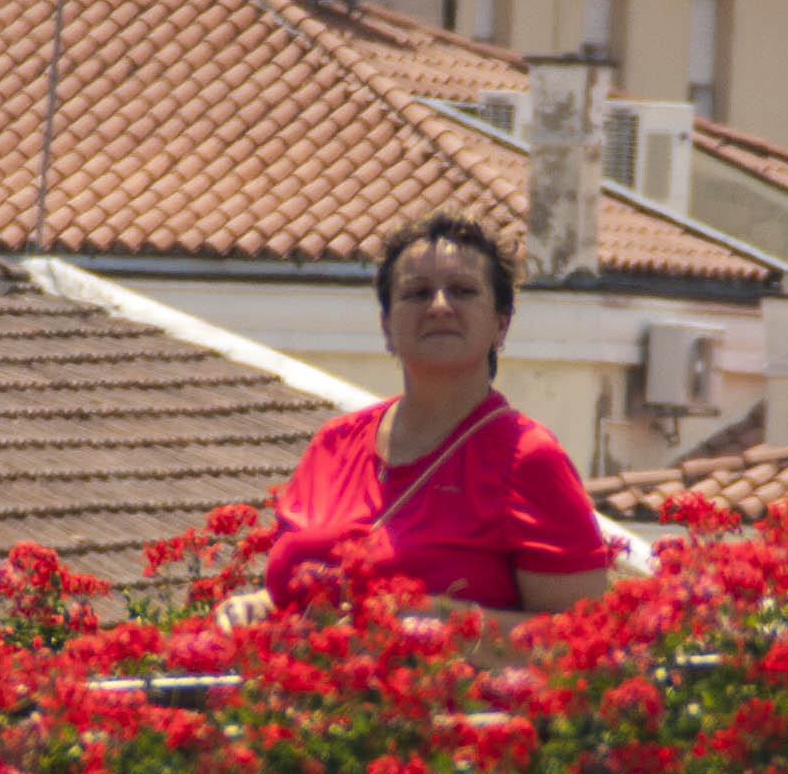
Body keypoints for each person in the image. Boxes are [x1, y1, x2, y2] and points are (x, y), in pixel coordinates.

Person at [254, 213, 617, 622]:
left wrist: (436, 623)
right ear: (387, 326)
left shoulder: (527, 459)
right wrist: (255, 607)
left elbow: (581, 639)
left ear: (501, 325)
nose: (439, 306)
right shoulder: (335, 443)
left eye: (462, 291)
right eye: (417, 293)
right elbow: (297, 592)